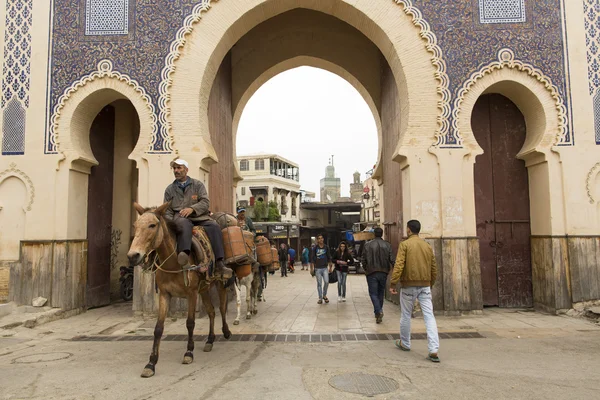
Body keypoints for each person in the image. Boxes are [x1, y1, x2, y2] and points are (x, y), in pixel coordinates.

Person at [163, 159, 233, 281]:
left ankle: (220, 263)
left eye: (179, 168)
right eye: (174, 168)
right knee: (182, 224)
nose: (176, 171)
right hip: (180, 217)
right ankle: (184, 253)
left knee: (214, 226)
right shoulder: (170, 189)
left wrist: (192, 209)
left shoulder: (198, 185)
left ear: (186, 170)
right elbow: (167, 209)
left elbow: (205, 202)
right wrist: (170, 222)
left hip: (199, 216)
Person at [389, 220, 440, 363]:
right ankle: (433, 349)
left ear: (409, 230)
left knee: (405, 315)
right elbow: (433, 267)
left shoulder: (405, 245)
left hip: (408, 286)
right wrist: (430, 283)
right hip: (425, 286)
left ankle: (405, 343)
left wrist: (393, 283)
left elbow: (399, 265)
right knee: (429, 317)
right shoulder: (427, 246)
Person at [361, 227, 394, 324]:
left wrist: (366, 269)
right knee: (380, 293)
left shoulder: (367, 245)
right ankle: (378, 312)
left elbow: (363, 259)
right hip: (383, 272)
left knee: (373, 293)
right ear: (382, 234)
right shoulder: (387, 245)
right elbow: (392, 259)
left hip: (371, 272)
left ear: (374, 234)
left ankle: (378, 311)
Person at [310, 234, 332, 304]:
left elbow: (329, 257)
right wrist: (311, 268)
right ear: (317, 240)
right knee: (319, 283)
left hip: (325, 267)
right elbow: (312, 258)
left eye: (321, 238)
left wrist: (330, 267)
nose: (320, 239)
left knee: (326, 281)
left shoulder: (326, 247)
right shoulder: (315, 248)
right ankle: (320, 298)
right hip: (317, 268)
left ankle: (324, 295)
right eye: (319, 238)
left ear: (323, 239)